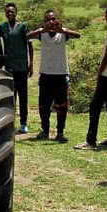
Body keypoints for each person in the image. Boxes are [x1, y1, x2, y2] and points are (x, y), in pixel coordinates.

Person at [27, 9, 81, 143]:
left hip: (61, 75)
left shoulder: (63, 33)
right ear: (44, 22)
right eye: (48, 20)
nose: (51, 22)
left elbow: (78, 35)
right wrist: (41, 30)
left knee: (62, 106)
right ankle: (45, 131)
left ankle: (60, 133)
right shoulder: (42, 33)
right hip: (45, 75)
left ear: (57, 20)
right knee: (43, 106)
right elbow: (27, 36)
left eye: (53, 19)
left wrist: (62, 30)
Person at [75, 4, 107, 150]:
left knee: (95, 107)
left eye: (106, 14)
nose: (105, 17)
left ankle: (91, 140)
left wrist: (99, 71)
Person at [0, 2, 33, 134]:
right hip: (9, 67)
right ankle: (9, 123)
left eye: (12, 11)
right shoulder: (2, 27)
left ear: (16, 12)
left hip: (22, 67)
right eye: (7, 12)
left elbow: (30, 45)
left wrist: (31, 64)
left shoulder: (23, 26)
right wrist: (0, 57)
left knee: (23, 97)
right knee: (10, 97)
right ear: (5, 13)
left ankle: (23, 124)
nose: (10, 14)